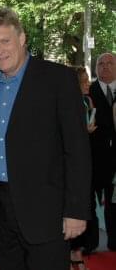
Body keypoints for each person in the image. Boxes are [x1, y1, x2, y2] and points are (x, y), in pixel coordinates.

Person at [0, 6, 92, 270]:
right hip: (2, 210)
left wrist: (76, 210)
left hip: (47, 212)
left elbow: (77, 149)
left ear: (22, 38)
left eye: (5, 41)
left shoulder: (58, 79)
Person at [70, 66, 98, 270]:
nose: (87, 83)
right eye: (83, 80)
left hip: (88, 158)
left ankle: (79, 251)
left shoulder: (88, 100)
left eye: (87, 79)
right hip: (71, 162)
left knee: (87, 205)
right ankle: (73, 253)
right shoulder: (68, 103)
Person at [89, 52, 116, 251]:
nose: (105, 66)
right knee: (89, 201)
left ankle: (114, 241)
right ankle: (90, 243)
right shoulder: (88, 92)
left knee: (114, 203)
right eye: (101, 63)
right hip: (94, 157)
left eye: (110, 63)